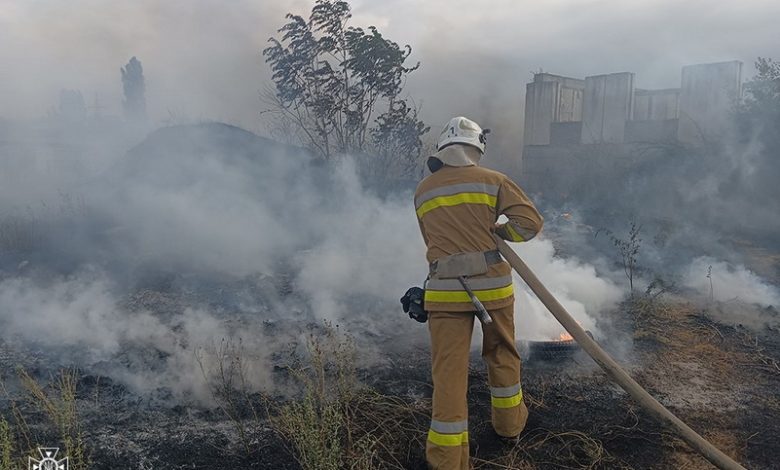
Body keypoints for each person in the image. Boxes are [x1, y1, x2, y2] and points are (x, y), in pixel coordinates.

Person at [414, 116, 544, 469]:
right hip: (493, 289)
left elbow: (433, 242)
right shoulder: (494, 181)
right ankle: (509, 428)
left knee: (448, 372)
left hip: (443, 292)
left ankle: (447, 460)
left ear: (443, 150)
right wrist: (500, 234)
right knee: (502, 355)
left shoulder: (423, 190)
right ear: (475, 150)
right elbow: (530, 225)